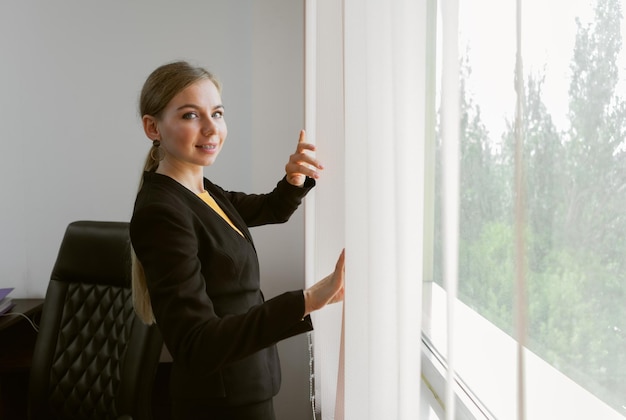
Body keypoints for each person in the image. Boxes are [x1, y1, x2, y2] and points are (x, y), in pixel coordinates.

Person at [129, 60, 344, 420]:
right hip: (219, 403)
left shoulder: (202, 191)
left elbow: (270, 209)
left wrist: (294, 179)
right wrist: (306, 301)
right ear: (153, 127)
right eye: (190, 116)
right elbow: (197, 345)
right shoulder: (162, 212)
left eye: (217, 113)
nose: (211, 129)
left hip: (249, 385)